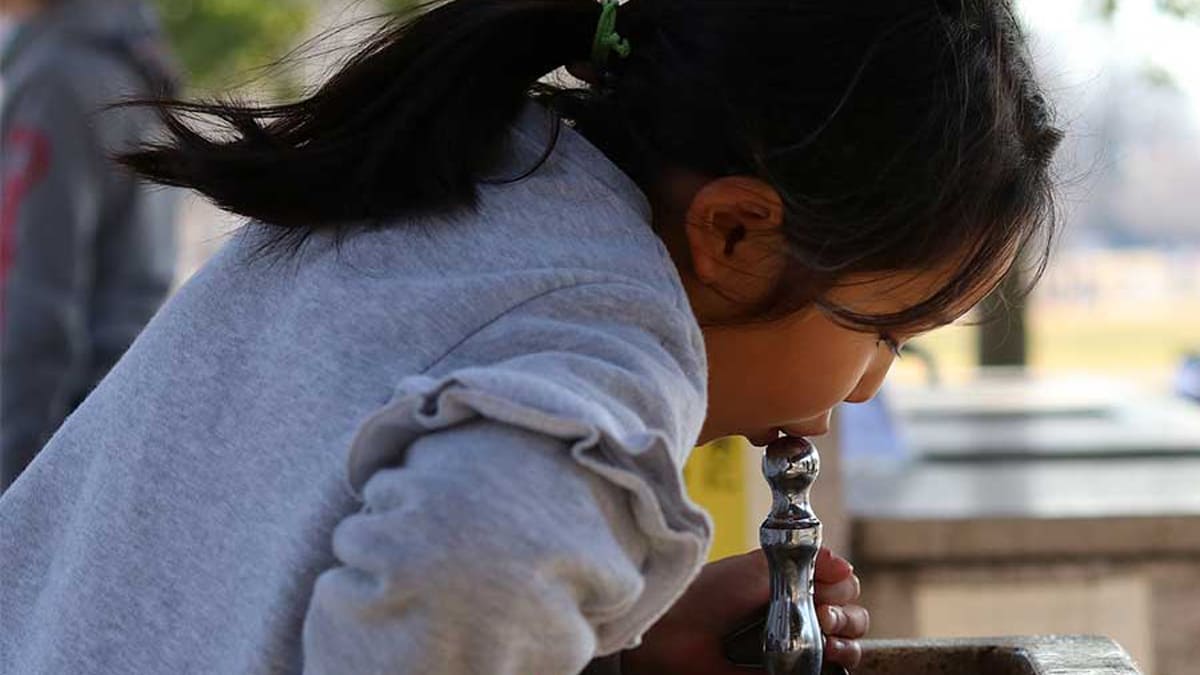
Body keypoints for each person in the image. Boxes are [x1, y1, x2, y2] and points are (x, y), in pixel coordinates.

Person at [0, 0, 1061, 673]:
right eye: (883, 331)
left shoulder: (471, 184)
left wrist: (615, 640)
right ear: (736, 231)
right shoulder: (611, 338)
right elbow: (474, 558)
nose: (871, 386)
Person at [0, 0, 180, 489]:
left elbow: (36, 311)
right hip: (106, 432)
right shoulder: (127, 55)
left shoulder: (57, 81)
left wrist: (13, 500)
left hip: (52, 444)